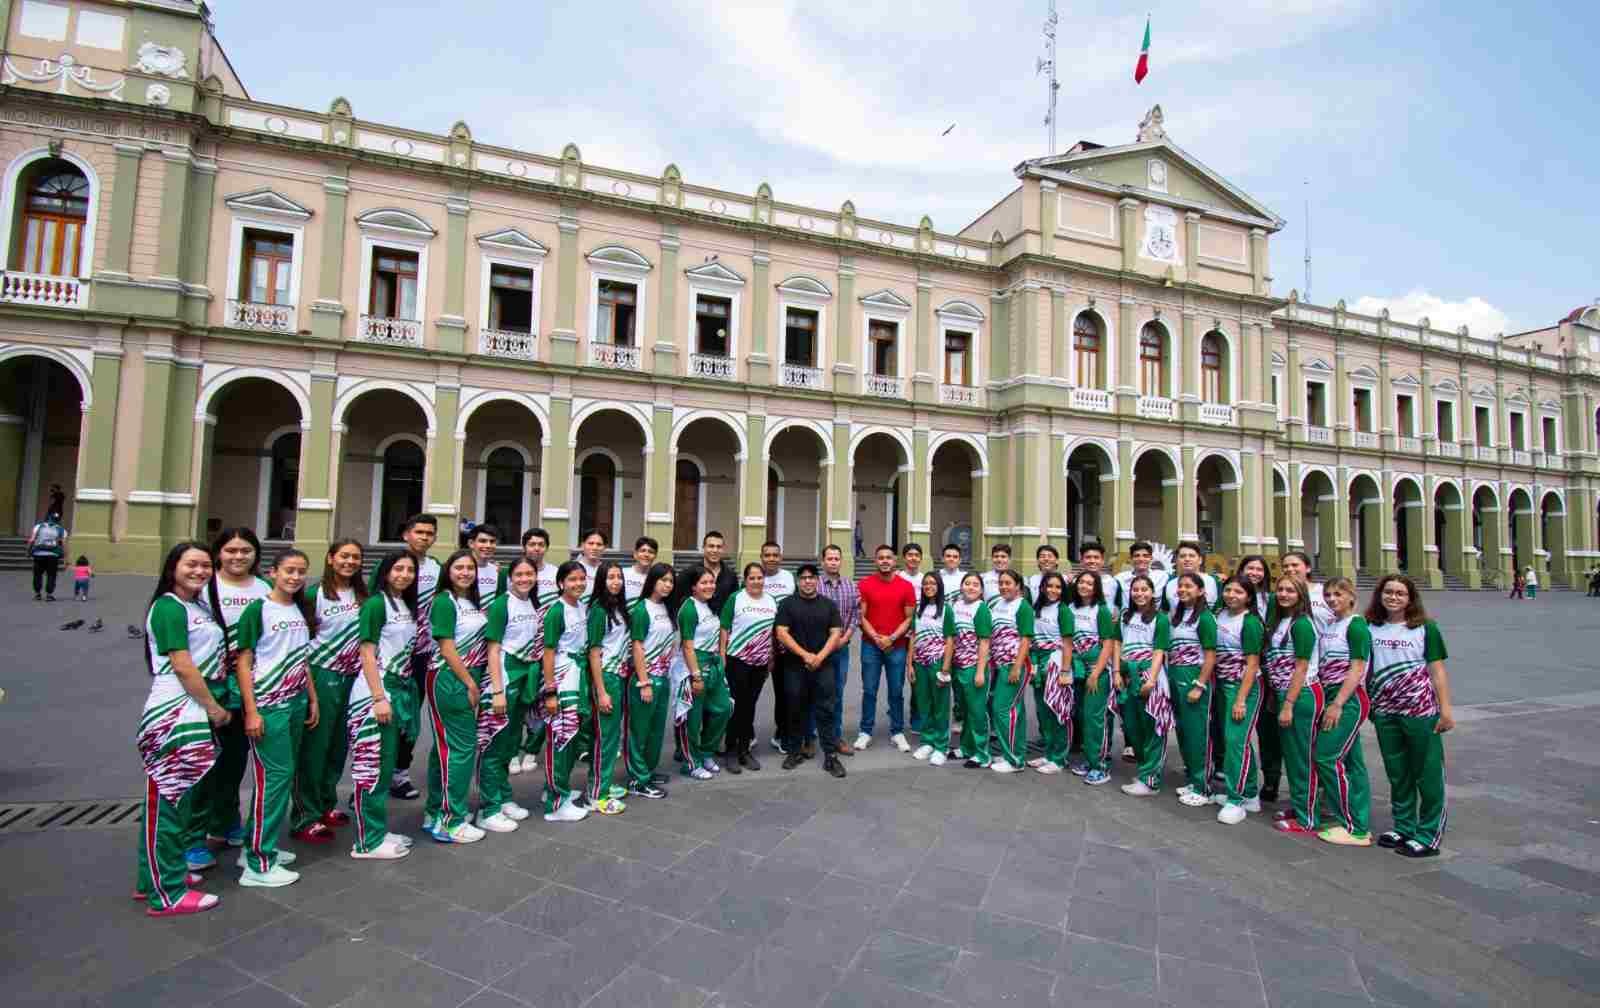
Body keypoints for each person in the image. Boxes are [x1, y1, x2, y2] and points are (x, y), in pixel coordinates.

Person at [135, 542, 229, 916]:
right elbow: (183, 665)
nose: (200, 570)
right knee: (168, 803)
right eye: (191, 564)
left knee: (178, 800)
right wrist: (214, 707)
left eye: (206, 565)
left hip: (191, 709)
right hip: (175, 709)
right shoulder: (168, 607)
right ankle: (166, 892)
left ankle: (156, 876)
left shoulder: (196, 606)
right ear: (173, 566)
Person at [235, 548, 319, 887]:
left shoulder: (300, 608)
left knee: (278, 778)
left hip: (296, 701)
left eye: (301, 571)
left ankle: (254, 846)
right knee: (275, 777)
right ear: (272, 572)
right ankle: (258, 862)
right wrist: (251, 710)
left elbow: (302, 658)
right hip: (269, 704)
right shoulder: (258, 610)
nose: (295, 577)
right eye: (289, 571)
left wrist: (312, 698)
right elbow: (243, 661)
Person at [190, 528, 269, 867]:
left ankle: (227, 820)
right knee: (203, 765)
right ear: (218, 553)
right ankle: (194, 836)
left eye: (245, 550)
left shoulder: (265, 587)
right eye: (231, 550)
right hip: (212, 688)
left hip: (250, 689)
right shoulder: (203, 589)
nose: (238, 556)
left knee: (235, 761)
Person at [1365, 574, 1453, 857]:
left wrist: (1446, 709)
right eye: (1388, 592)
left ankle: (1428, 834)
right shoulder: (1370, 627)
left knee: (1426, 772)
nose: (1393, 597)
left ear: (1410, 598)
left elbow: (1437, 670)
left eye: (1400, 593)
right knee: (1398, 772)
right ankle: (1404, 825)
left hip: (1420, 711)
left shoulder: (1425, 628)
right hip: (1385, 711)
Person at [291, 539, 367, 844]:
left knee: (338, 746)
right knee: (315, 748)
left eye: (355, 557)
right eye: (344, 556)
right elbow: (302, 639)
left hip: (354, 676)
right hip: (323, 675)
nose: (349, 562)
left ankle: (325, 804)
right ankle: (304, 815)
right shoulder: (313, 595)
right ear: (331, 558)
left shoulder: (363, 595)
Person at [347, 552, 420, 860]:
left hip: (398, 688)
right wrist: (378, 697)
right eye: (398, 568)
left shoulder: (403, 603)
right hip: (376, 693)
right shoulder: (376, 604)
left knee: (386, 767)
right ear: (385, 572)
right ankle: (367, 841)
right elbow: (366, 651)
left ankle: (376, 830)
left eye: (409, 569)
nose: (404, 574)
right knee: (372, 769)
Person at [423, 550, 489, 844]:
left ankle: (436, 811)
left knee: (445, 749)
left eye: (470, 567)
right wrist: (470, 684)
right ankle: (451, 821)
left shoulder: (469, 601)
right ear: (447, 571)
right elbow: (447, 648)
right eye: (458, 567)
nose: (465, 572)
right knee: (461, 749)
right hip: (451, 678)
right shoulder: (443, 602)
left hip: (465, 676)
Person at [378, 514, 441, 801]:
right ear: (406, 534)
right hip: (390, 657)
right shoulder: (392, 565)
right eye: (419, 532)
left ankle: (400, 773)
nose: (424, 537)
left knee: (411, 719)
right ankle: (375, 774)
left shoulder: (437, 568)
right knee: (386, 718)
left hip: (423, 655)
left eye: (430, 533)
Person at [480, 556, 543, 833]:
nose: (524, 579)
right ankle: (488, 808)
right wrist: (497, 691)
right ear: (509, 577)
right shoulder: (500, 604)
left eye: (529, 574)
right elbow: (492, 649)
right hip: (504, 678)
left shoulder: (532, 602)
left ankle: (503, 797)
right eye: (519, 574)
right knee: (494, 745)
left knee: (510, 742)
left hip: (524, 677)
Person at [1313, 576, 1373, 847]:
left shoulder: (1356, 625)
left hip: (1346, 699)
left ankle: (1354, 826)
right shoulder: (1331, 624)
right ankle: (1358, 818)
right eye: (1328, 594)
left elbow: (1357, 667)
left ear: (1351, 596)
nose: (1332, 599)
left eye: (1339, 594)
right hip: (1330, 694)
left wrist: (1337, 704)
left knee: (1326, 757)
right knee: (1353, 763)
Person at [1263, 574, 1324, 836]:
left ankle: (1308, 816)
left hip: (1300, 695)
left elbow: (1302, 666)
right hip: (1284, 694)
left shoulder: (1301, 624)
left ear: (1301, 594)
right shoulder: (1281, 622)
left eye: (1290, 590)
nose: (1284, 594)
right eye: (1281, 589)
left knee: (1301, 758)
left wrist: (1288, 703)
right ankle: (1301, 805)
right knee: (1292, 755)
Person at [774, 564, 846, 777]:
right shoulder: (788, 605)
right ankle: (795, 751)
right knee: (795, 709)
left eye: (811, 577)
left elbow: (835, 633)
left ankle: (831, 756)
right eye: (803, 578)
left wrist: (819, 657)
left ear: (817, 580)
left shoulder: (829, 605)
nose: (807, 581)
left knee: (826, 710)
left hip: (824, 666)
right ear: (798, 581)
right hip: (795, 666)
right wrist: (806, 656)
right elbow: (781, 633)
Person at [540, 561, 597, 822]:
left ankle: (556, 787)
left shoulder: (582, 607)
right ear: (561, 582)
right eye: (572, 579)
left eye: (582, 578)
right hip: (563, 677)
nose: (578, 584)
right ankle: (556, 801)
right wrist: (550, 691)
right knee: (560, 737)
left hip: (578, 675)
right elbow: (548, 652)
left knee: (571, 736)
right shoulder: (556, 611)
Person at [1211, 576, 1266, 825]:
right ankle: (1251, 793)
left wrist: (1241, 700)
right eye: (1228, 590)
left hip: (1243, 687)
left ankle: (1236, 800)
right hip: (1223, 683)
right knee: (1236, 741)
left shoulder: (1251, 622)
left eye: (1239, 591)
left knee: (1236, 742)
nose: (1232, 594)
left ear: (1249, 597)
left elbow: (1253, 664)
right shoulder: (1221, 614)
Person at [505, 527, 559, 775]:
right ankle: (512, 751)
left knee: (542, 702)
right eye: (532, 544)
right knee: (515, 706)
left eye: (541, 544)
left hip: (546, 648)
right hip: (518, 649)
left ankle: (532, 750)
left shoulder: (555, 573)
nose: (536, 548)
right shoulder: (514, 573)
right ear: (524, 546)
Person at [855, 544, 915, 752]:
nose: (885, 561)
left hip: (896, 646)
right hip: (871, 646)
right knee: (869, 690)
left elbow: (909, 618)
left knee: (896, 691)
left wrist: (891, 638)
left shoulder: (906, 586)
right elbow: (861, 616)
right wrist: (876, 637)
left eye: (888, 557)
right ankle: (865, 731)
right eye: (880, 558)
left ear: (894, 560)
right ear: (875, 561)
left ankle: (897, 732)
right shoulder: (864, 584)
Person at [579, 561, 628, 810]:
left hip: (618, 676)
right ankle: (597, 794)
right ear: (601, 580)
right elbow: (594, 653)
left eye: (619, 577)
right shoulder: (598, 610)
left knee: (611, 737)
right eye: (610, 577)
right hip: (606, 678)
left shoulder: (618, 607)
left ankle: (603, 783)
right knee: (605, 738)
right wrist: (601, 691)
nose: (616, 581)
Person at [625, 563, 678, 799]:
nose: (667, 584)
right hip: (645, 679)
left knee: (656, 731)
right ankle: (637, 780)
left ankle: (647, 770)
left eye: (671, 581)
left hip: (663, 678)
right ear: (653, 581)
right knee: (639, 731)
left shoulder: (666, 608)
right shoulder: (641, 609)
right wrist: (644, 682)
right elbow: (637, 645)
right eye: (663, 580)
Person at [1166, 573, 1218, 807]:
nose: (1183, 590)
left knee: (1198, 734)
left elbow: (1210, 655)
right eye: (1180, 586)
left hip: (1193, 678)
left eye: (1189, 586)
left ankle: (1203, 787)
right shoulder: (1177, 616)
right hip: (1176, 675)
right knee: (1183, 731)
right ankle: (1192, 777)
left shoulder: (1205, 618)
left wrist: (1200, 684)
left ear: (1200, 591)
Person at [1118, 575, 1172, 796]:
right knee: (1132, 726)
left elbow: (1159, 650)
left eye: (1144, 590)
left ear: (1152, 592)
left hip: (1149, 674)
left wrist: (1151, 679)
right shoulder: (1125, 616)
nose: (1139, 594)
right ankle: (1143, 770)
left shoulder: (1160, 619)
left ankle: (1151, 780)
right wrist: (1116, 672)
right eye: (1135, 590)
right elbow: (1117, 643)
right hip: (1127, 674)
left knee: (1152, 727)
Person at [677, 568, 733, 779]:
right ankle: (691, 762)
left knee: (723, 708)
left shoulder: (708, 606)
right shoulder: (689, 609)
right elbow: (687, 646)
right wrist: (696, 676)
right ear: (693, 586)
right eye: (704, 583)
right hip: (696, 666)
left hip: (713, 664)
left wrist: (720, 656)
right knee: (693, 718)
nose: (709, 586)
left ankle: (706, 752)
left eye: (711, 582)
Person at [721, 563, 777, 770]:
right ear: (745, 580)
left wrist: (771, 657)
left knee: (750, 706)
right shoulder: (736, 598)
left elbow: (773, 632)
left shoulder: (771, 601)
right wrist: (721, 656)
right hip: (737, 661)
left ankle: (745, 750)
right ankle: (731, 751)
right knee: (735, 706)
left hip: (760, 664)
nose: (756, 581)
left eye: (759, 577)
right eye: (752, 578)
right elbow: (724, 628)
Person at [1067, 570, 1121, 784]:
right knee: (1082, 715)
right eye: (1081, 582)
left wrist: (1096, 672)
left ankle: (1100, 766)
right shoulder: (1070, 608)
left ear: (1096, 587)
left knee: (1095, 718)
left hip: (1096, 671)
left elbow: (1108, 643)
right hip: (1077, 669)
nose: (1084, 586)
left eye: (1090, 583)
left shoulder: (1102, 610)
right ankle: (1089, 760)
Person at [985, 570, 1036, 773]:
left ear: (1018, 586)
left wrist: (1016, 666)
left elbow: (1025, 638)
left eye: (1008, 583)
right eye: (1001, 583)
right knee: (1016, 711)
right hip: (1000, 665)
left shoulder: (1022, 606)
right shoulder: (998, 604)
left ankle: (1014, 760)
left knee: (1001, 709)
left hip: (1014, 666)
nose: (1004, 586)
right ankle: (1014, 752)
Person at [944, 572, 992, 766]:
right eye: (967, 583)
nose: (971, 587)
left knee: (977, 711)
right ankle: (965, 747)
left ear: (981, 590)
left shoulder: (981, 609)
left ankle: (982, 754)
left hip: (974, 667)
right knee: (963, 709)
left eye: (975, 585)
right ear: (961, 586)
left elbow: (984, 642)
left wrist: (980, 671)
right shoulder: (955, 606)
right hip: (958, 666)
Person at [816, 545, 860, 755]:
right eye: (829, 558)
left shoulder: (851, 586)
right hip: (817, 649)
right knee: (813, 692)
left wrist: (845, 638)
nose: (833, 562)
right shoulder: (815, 586)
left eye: (836, 558)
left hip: (841, 649)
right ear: (822, 561)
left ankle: (836, 737)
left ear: (841, 561)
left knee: (837, 694)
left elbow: (855, 615)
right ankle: (810, 737)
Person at [1026, 571, 1070, 774]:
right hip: (1038, 660)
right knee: (1043, 710)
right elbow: (1033, 640)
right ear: (1042, 588)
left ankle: (1059, 758)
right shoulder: (1038, 608)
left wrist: (1065, 671)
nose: (1053, 590)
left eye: (1058, 587)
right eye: (1049, 586)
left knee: (1057, 710)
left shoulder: (1064, 610)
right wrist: (1033, 664)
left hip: (1056, 660)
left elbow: (1068, 643)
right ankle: (1049, 753)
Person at [909, 573, 952, 765]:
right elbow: (913, 636)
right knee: (923, 704)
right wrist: (910, 664)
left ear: (939, 586)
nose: (928, 586)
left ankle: (941, 746)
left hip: (937, 662)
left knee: (940, 706)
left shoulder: (947, 610)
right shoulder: (919, 608)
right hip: (920, 663)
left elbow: (950, 640)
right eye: (925, 583)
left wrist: (945, 668)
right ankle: (927, 741)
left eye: (932, 583)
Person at [758, 541, 796, 753]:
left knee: (784, 692)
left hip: (784, 645)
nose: (771, 558)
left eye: (775, 555)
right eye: (767, 555)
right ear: (762, 557)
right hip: (759, 645)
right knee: (749, 692)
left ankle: (782, 734)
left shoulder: (789, 578)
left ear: (780, 557)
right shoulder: (755, 577)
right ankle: (746, 734)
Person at [670, 530, 738, 624]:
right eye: (711, 546)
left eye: (719, 547)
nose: (715, 550)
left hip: (723, 631)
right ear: (704, 547)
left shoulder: (731, 576)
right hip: (696, 633)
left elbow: (734, 605)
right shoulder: (689, 573)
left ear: (723, 549)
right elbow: (676, 601)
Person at [897, 543, 926, 734]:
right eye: (910, 555)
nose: (913, 558)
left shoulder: (927, 579)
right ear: (904, 558)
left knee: (918, 679)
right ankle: (896, 720)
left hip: (920, 635)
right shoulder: (898, 578)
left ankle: (918, 718)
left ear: (921, 558)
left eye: (917, 555)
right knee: (897, 679)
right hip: (900, 635)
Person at [1161, 541, 1222, 612]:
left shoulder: (1214, 581)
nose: (1187, 559)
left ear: (1200, 560)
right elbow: (1165, 612)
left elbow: (1219, 610)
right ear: (1176, 560)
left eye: (1192, 556)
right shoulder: (1169, 584)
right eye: (1182, 556)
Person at [26, 510, 66, 601]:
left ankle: (37, 594)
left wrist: (28, 551)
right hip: (53, 556)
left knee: (37, 575)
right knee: (51, 575)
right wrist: (65, 558)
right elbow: (64, 545)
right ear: (58, 520)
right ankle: (49, 595)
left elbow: (31, 540)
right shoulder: (61, 530)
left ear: (48, 518)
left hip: (38, 554)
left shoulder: (38, 527)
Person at [1116, 541, 1166, 608]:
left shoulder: (1163, 577)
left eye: (1145, 556)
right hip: (1128, 616)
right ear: (1130, 559)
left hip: (1154, 617)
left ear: (1151, 558)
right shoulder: (1120, 579)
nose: (1141, 559)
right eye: (1137, 556)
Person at [1079, 541, 1123, 609]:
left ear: (1102, 561)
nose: (1092, 561)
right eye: (1088, 557)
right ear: (1081, 560)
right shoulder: (1074, 583)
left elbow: (1118, 606)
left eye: (1096, 557)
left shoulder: (1113, 583)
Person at [471, 525, 502, 611]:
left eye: (492, 541)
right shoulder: (461, 570)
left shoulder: (498, 571)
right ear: (471, 543)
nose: (488, 545)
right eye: (482, 541)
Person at [624, 536, 659, 609]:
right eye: (642, 550)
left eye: (651, 552)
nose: (646, 555)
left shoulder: (657, 579)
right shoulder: (623, 574)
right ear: (635, 554)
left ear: (655, 556)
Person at [577, 529, 607, 599]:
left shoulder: (608, 570)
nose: (594, 547)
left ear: (604, 548)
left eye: (599, 544)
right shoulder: (572, 568)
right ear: (582, 545)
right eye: (590, 543)